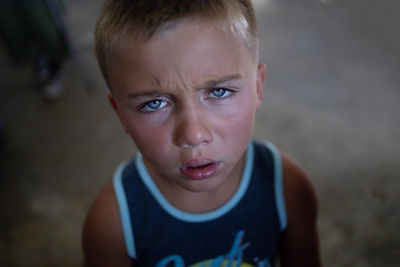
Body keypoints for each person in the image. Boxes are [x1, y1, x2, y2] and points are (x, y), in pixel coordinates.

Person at [82, 0, 321, 266]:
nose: (194, 135)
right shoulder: (113, 224)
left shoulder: (287, 188)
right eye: (154, 103)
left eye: (219, 91)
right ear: (120, 113)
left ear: (258, 87)